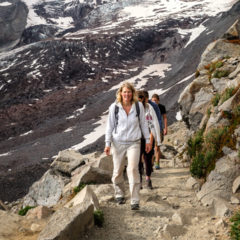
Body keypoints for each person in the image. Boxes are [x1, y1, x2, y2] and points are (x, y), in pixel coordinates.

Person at [104, 82, 151, 211]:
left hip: (134, 142)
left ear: (132, 93)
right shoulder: (114, 107)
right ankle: (119, 194)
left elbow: (143, 124)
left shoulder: (138, 106)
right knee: (118, 170)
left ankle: (135, 200)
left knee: (132, 169)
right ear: (120, 93)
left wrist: (147, 140)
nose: (127, 94)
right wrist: (107, 144)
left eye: (129, 92)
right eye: (124, 92)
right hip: (118, 143)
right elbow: (110, 127)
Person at [137, 90, 161, 189]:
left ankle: (148, 179)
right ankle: (139, 181)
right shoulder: (134, 109)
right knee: (138, 160)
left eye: (139, 100)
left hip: (148, 138)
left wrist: (151, 141)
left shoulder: (149, 108)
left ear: (143, 99)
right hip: (137, 139)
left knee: (147, 159)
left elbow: (153, 125)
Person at [151, 93, 168, 169]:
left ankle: (157, 164)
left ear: (158, 101)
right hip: (150, 129)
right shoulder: (149, 107)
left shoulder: (161, 107)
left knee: (157, 147)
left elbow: (164, 118)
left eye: (155, 100)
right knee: (151, 147)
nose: (154, 102)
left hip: (159, 129)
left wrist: (165, 128)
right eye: (153, 100)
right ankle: (151, 163)